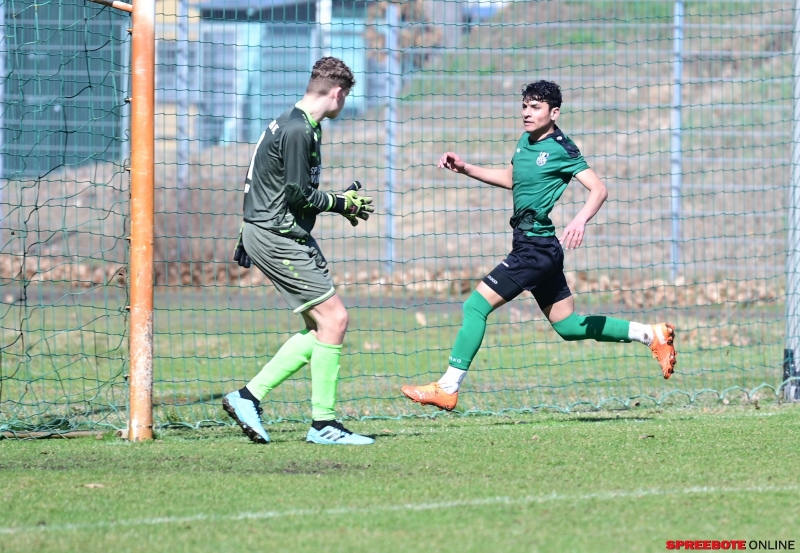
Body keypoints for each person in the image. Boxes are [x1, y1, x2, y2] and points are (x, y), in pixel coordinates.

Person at [400, 80, 677, 412]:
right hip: (539, 248)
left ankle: (447, 387)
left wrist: (579, 221)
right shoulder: (525, 141)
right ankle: (651, 334)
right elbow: (512, 178)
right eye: (525, 106)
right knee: (568, 325)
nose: (527, 113)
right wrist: (466, 168)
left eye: (535, 107)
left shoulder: (562, 149)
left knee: (475, 307)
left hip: (534, 251)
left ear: (554, 112)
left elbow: (598, 189)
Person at [223, 57, 375, 445]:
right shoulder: (297, 130)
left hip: (274, 232)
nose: (345, 104)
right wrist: (342, 203)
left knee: (322, 328)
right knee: (335, 319)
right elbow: (296, 193)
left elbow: (264, 180)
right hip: (276, 235)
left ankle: (247, 397)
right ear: (337, 93)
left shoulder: (299, 123)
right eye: (346, 97)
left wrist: (248, 231)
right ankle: (323, 424)